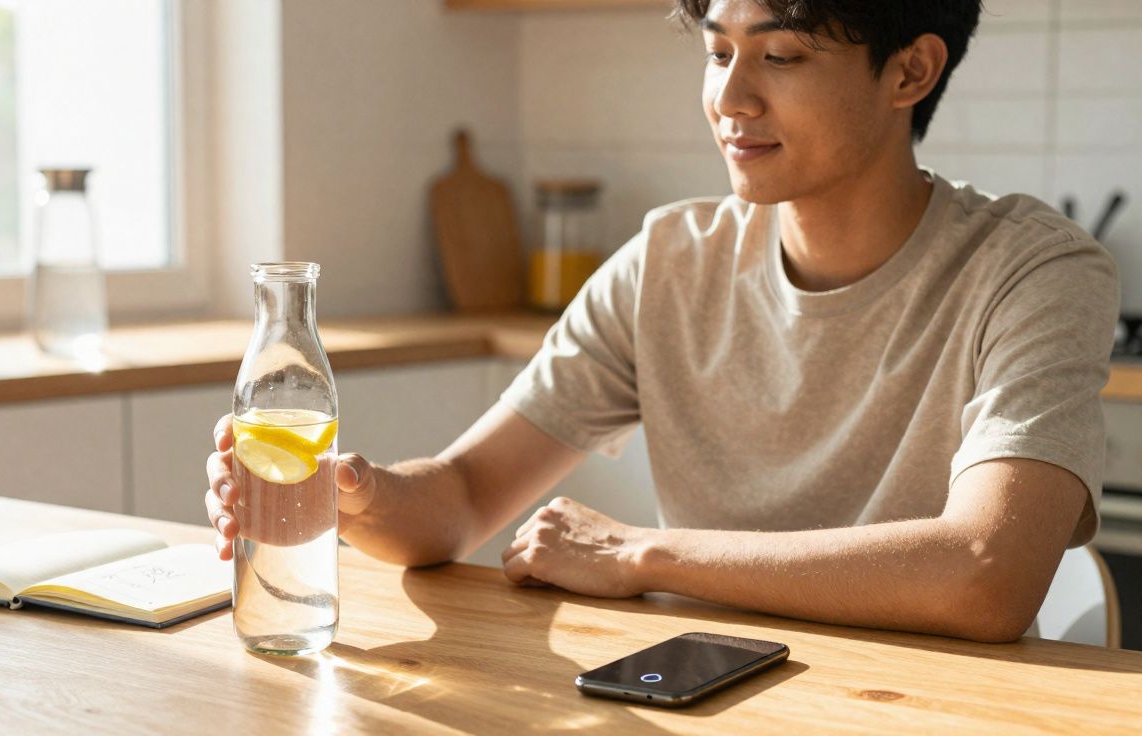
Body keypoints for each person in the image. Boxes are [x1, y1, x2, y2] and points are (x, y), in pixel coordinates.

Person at [204, 0, 1118, 643]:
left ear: (911, 70)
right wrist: (351, 493)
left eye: (782, 56)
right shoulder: (670, 260)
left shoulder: (1034, 269)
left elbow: (987, 573)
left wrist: (645, 554)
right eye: (719, 52)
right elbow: (459, 499)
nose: (731, 99)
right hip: (702, 697)